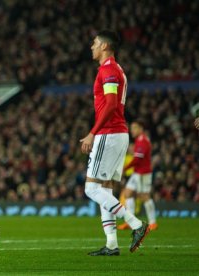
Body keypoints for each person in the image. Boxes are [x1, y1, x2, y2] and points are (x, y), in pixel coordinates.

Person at [80, 30, 150, 256]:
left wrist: (93, 132)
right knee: (105, 189)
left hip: (109, 134)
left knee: (91, 188)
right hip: (118, 134)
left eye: (94, 43)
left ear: (104, 46)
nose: (91, 46)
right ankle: (111, 244)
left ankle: (136, 224)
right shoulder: (116, 69)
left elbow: (110, 105)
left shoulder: (108, 69)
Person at [118, 120, 157, 231]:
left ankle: (153, 222)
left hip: (143, 173)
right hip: (137, 172)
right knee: (128, 193)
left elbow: (137, 159)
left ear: (141, 128)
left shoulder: (142, 140)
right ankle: (131, 222)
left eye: (135, 128)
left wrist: (125, 169)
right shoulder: (139, 140)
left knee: (144, 196)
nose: (132, 130)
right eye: (132, 128)